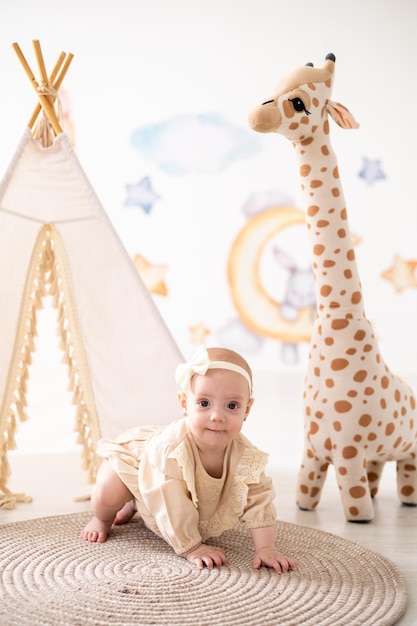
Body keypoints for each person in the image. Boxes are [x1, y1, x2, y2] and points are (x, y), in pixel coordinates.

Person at [81, 346, 297, 574]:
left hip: (158, 490)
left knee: (145, 497)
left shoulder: (245, 454)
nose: (217, 416)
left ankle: (133, 503)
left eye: (232, 406)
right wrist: (192, 547)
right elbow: (170, 501)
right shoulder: (171, 449)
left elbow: (258, 498)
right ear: (184, 403)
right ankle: (105, 517)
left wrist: (266, 548)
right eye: (204, 403)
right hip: (138, 468)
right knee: (108, 492)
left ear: (247, 409)